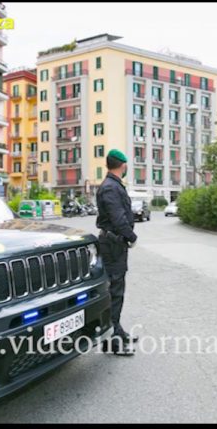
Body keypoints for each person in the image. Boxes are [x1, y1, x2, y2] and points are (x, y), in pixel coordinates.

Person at [95, 149, 139, 356]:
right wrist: (131, 237)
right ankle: (112, 340)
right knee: (114, 291)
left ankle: (117, 330)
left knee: (117, 289)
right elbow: (118, 217)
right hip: (113, 245)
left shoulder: (112, 185)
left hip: (114, 244)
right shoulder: (111, 188)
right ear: (123, 165)